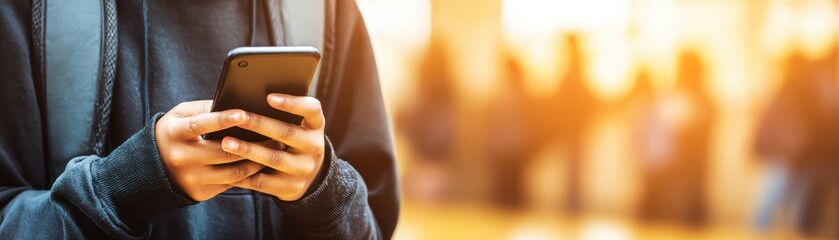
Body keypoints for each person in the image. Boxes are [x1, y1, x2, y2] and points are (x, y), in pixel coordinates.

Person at [0, 0, 398, 239]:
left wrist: (321, 190)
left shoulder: (324, 10)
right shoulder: (29, 12)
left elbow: (375, 226)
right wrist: (126, 186)